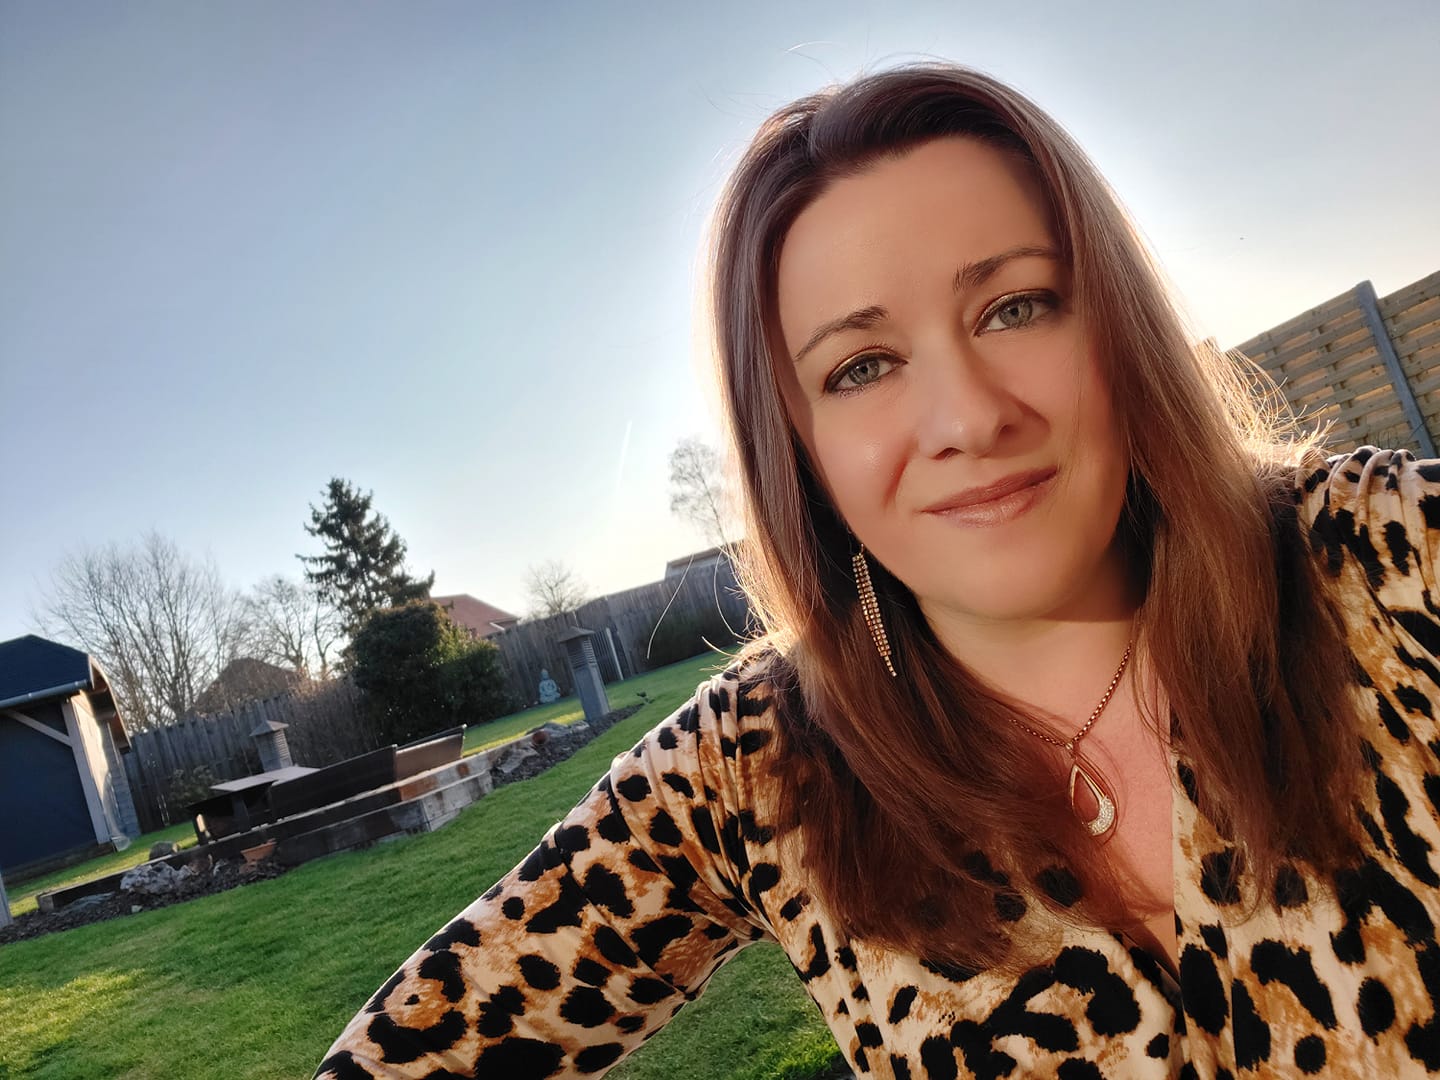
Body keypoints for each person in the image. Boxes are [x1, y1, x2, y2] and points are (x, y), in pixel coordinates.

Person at [316, 64, 1440, 1079]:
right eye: (861, 367)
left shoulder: (1389, 560)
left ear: (1115, 323)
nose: (966, 418)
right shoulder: (757, 764)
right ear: (797, 446)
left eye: (1016, 307)